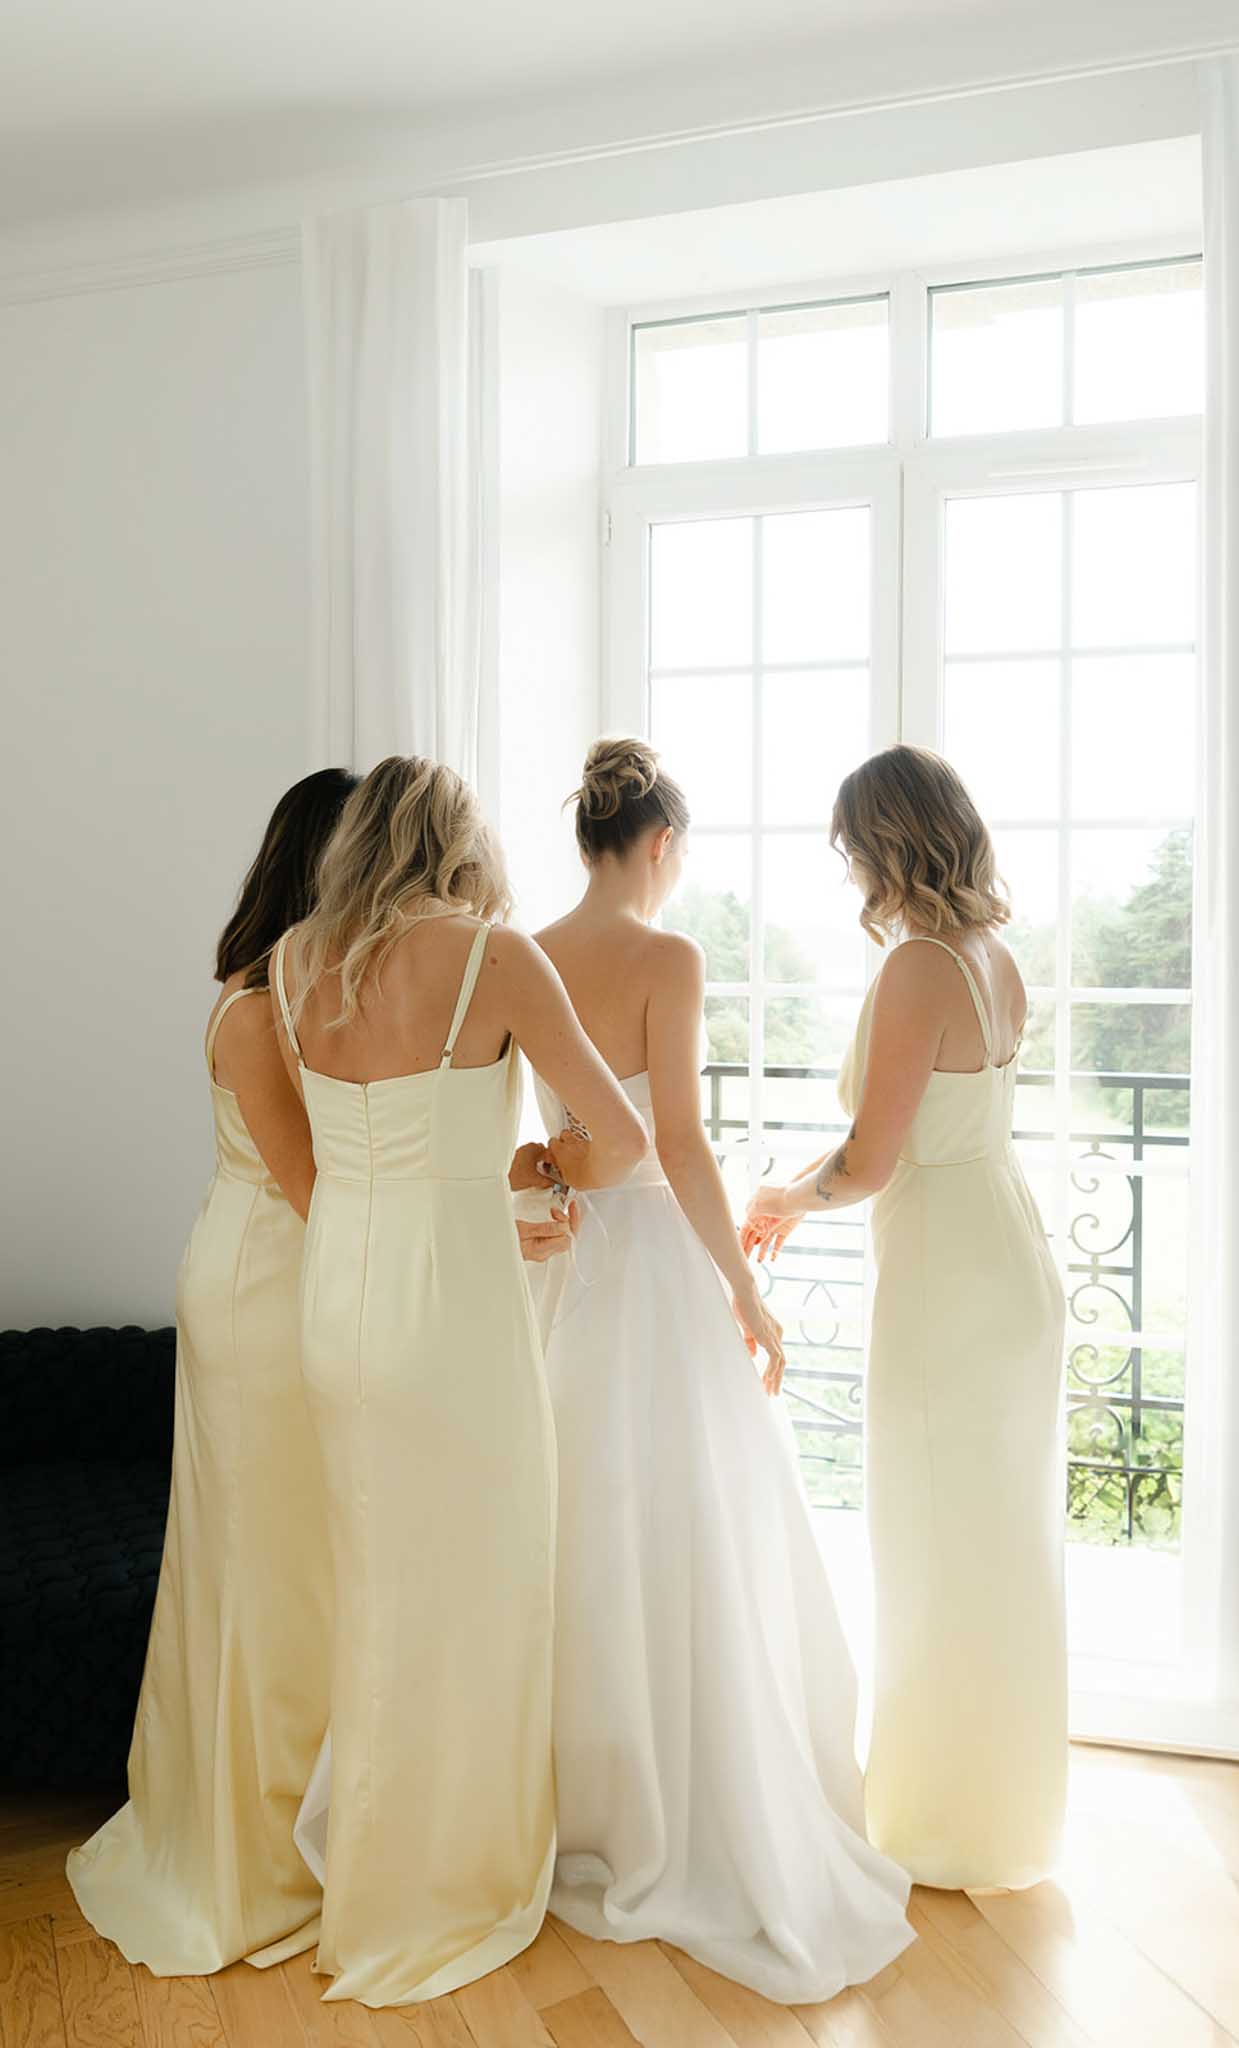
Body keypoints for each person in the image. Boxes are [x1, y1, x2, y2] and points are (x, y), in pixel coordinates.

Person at [522, 735, 914, 2003]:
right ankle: (679, 1804)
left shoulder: (525, 951)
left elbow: (555, 1141)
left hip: (563, 1265)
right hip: (649, 1268)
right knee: (687, 1529)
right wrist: (746, 1287)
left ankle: (572, 1805)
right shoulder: (666, 956)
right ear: (660, 846)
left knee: (576, 1524)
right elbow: (676, 1141)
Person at [265, 755, 647, 2008]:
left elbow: (363, 1155)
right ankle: (453, 1876)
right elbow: (621, 1139)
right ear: (460, 839)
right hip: (454, 1312)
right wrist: (538, 1168)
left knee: (379, 1583)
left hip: (337, 1301)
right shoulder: (491, 954)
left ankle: (373, 1870)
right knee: (484, 1582)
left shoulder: (293, 965)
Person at [744, 744, 1067, 1890]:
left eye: (851, 851)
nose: (848, 875)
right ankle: (1000, 1807)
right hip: (1009, 1255)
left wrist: (784, 1195)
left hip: (949, 1280)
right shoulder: (995, 956)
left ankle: (937, 1820)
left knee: (934, 1544)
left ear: (887, 844)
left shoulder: (917, 967)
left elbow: (873, 1159)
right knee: (999, 1545)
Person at [68, 768, 358, 1972]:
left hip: (301, 1270)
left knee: (302, 1555)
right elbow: (310, 1185)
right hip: (260, 1282)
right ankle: (250, 1845)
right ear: (324, 861)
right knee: (263, 1562)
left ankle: (320, 1815)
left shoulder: (323, 989)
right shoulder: (253, 1007)